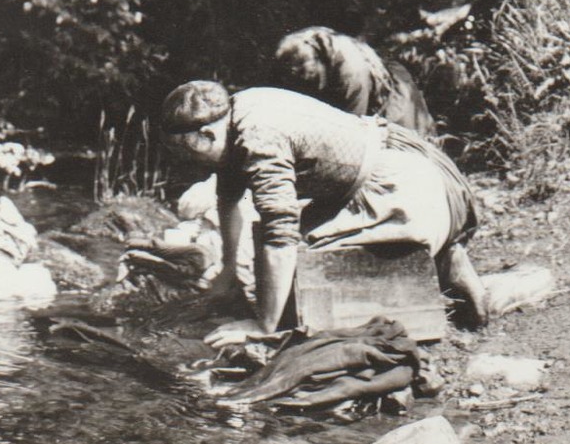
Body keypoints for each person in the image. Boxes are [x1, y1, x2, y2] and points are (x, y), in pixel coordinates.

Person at [159, 81, 488, 335]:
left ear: (206, 133)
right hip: (365, 179)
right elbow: (228, 200)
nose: (191, 163)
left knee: (305, 259)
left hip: (400, 187)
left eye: (191, 153)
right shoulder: (237, 113)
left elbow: (280, 235)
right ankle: (438, 254)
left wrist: (263, 327)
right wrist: (229, 271)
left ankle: (442, 262)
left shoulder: (259, 137)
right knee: (269, 258)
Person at [271, 26, 437, 138]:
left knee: (413, 153)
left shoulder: (352, 71)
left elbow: (352, 132)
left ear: (317, 62)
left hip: (394, 103)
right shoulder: (303, 44)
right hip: (365, 93)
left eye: (313, 78)